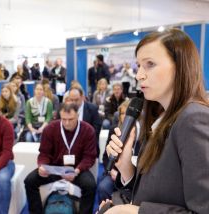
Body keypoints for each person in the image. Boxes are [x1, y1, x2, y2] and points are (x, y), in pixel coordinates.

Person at [101, 29, 209, 213]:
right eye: (139, 66)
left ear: (179, 66)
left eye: (150, 64)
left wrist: (135, 212)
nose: (139, 75)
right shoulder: (162, 119)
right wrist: (127, 168)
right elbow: (156, 194)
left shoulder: (193, 119)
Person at [24, 103, 97, 214]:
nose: (67, 123)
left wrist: (77, 171)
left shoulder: (88, 130)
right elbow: (44, 153)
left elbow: (89, 157)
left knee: (90, 185)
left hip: (77, 169)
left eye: (70, 119)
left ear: (77, 115)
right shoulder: (50, 129)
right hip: (54, 168)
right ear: (59, 116)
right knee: (29, 181)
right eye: (63, 119)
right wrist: (42, 166)